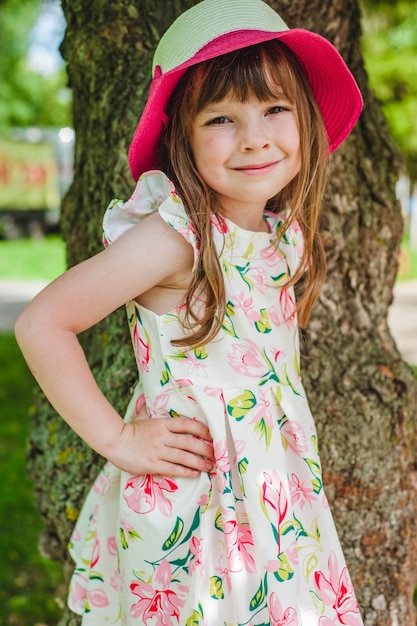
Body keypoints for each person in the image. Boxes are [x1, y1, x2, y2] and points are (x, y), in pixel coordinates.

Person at [15, 0, 365, 623]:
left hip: (275, 499)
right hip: (198, 507)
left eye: (275, 109)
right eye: (222, 118)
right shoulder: (176, 237)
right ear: (183, 134)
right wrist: (117, 439)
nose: (255, 135)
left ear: (305, 119)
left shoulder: (284, 236)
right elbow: (42, 322)